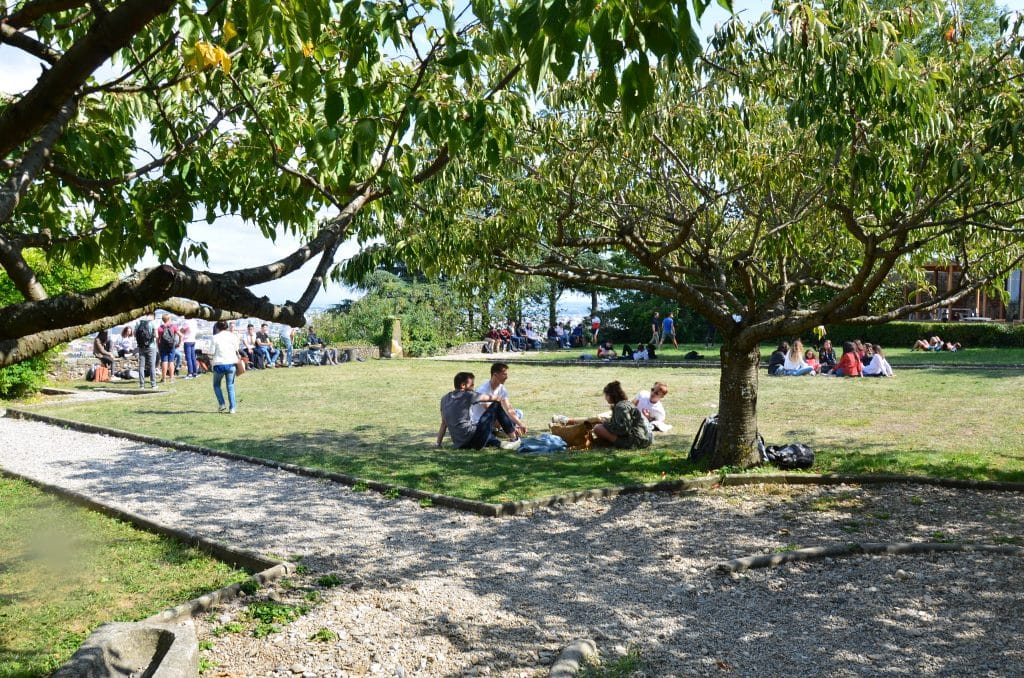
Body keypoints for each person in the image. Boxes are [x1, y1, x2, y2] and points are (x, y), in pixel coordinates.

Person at [437, 371, 520, 449]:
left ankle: (497, 441)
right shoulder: (468, 395)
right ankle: (514, 438)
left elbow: (444, 424)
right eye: (472, 385)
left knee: (481, 429)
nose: (473, 388)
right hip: (474, 440)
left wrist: (438, 443)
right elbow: (495, 398)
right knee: (496, 406)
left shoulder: (444, 399)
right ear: (463, 385)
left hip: (460, 444)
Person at [471, 362, 528, 437]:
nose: (507, 377)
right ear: (495, 375)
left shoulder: (501, 388)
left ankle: (501, 430)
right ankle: (501, 431)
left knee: (518, 412)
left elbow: (509, 410)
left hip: (495, 419)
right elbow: (492, 414)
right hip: (481, 422)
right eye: (504, 374)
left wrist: (521, 424)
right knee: (505, 418)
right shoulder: (483, 390)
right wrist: (510, 428)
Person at [592, 381, 652, 449]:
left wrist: (606, 424)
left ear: (611, 395)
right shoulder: (625, 404)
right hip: (643, 438)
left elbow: (623, 429)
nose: (605, 398)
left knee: (598, 428)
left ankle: (615, 443)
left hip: (637, 441)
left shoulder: (621, 407)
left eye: (606, 395)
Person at [210, 320, 241, 413]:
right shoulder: (233, 336)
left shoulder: (215, 337)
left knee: (216, 385)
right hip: (231, 363)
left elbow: (212, 352)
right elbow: (237, 348)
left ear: (217, 327)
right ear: (227, 327)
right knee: (230, 386)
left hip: (219, 363)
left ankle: (222, 404)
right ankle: (232, 408)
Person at [135, 312, 158, 389]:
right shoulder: (153, 323)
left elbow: (135, 334)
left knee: (141, 366)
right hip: (151, 346)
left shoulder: (138, 322)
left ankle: (142, 385)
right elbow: (156, 335)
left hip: (141, 347)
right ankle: (153, 384)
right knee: (152, 366)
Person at [157, 314, 180, 382]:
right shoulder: (173, 327)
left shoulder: (160, 328)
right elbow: (180, 335)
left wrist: (158, 345)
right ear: (169, 319)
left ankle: (163, 378)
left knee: (164, 361)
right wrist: (179, 343)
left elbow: (158, 338)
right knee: (171, 361)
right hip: (171, 346)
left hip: (163, 346)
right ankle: (171, 378)